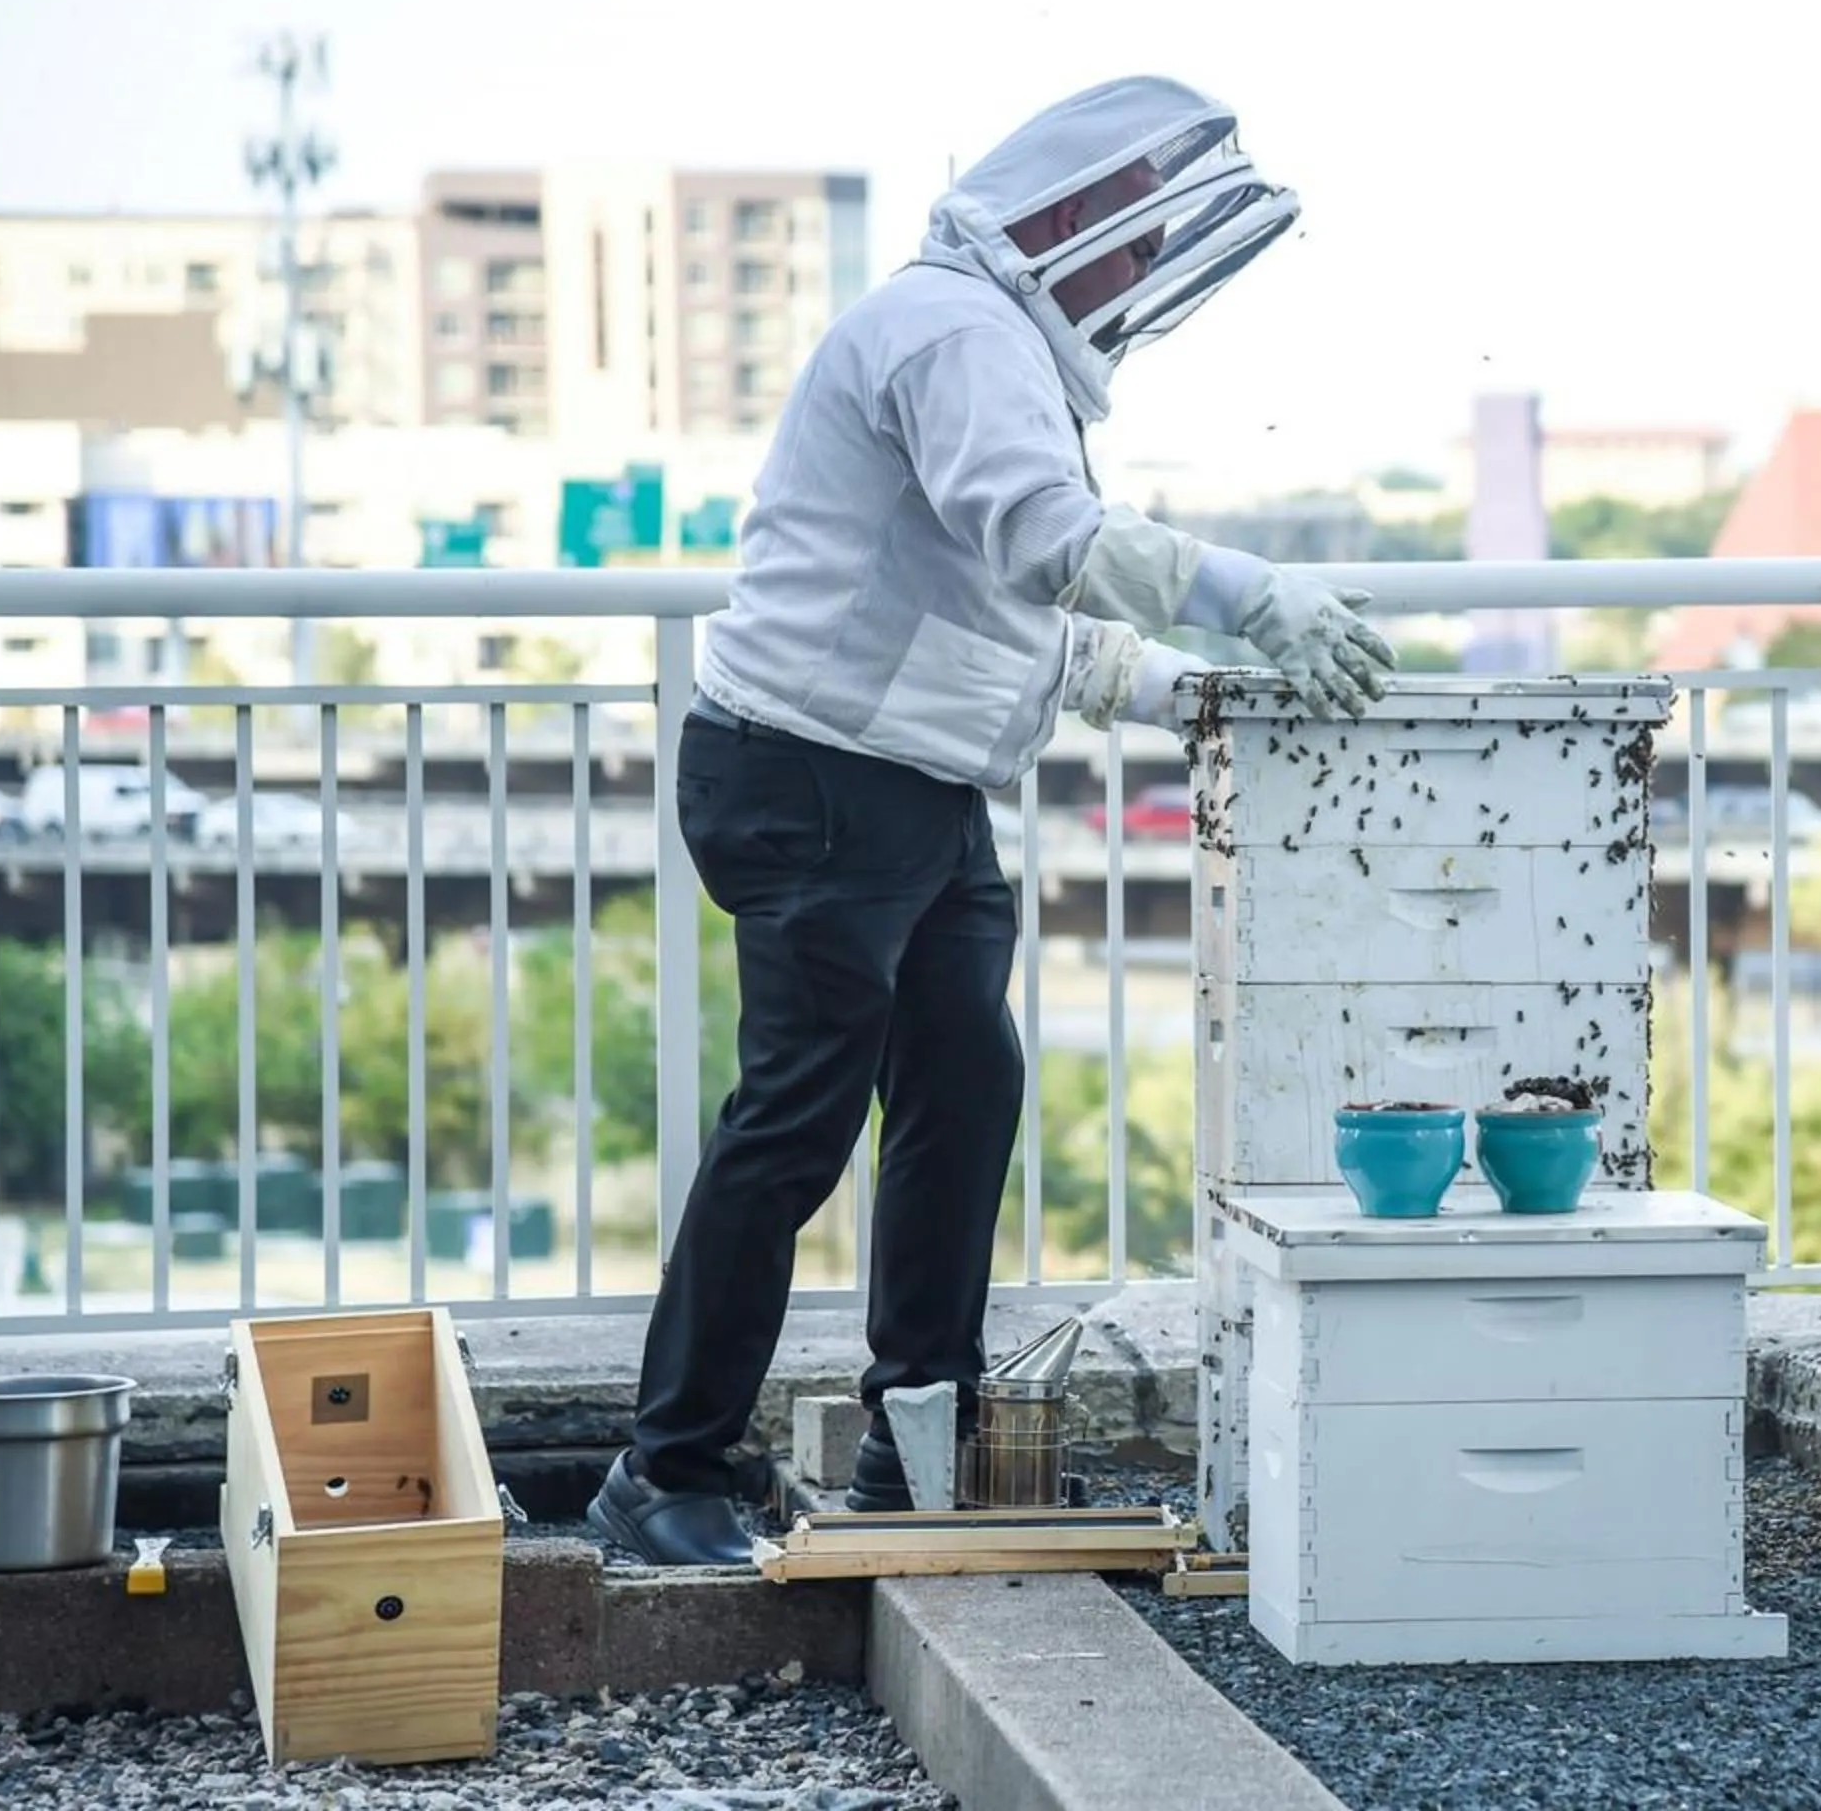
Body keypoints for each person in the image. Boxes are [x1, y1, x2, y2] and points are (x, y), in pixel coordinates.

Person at [588, 77, 1395, 1563]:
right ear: (1075, 214)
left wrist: (1204, 699)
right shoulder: (956, 335)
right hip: (818, 778)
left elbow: (1026, 626)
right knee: (799, 1122)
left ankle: (923, 1437)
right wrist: (1252, 599)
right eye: (1133, 249)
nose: (1140, 285)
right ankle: (665, 1468)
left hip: (912, 787)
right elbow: (1045, 542)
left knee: (967, 1084)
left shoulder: (991, 346)